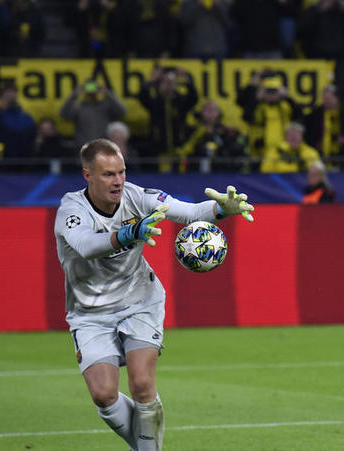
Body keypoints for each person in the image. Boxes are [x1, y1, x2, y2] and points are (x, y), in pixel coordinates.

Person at [54, 138, 254, 450]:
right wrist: (129, 233)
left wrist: (220, 210)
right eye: (108, 174)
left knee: (142, 383)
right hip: (89, 312)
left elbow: (188, 212)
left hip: (140, 300)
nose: (118, 181)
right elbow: (86, 246)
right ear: (87, 175)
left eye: (121, 172)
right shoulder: (72, 210)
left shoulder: (139, 196)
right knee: (104, 395)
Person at [60, 79, 127, 150]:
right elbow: (63, 114)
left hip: (103, 146)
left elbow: (122, 112)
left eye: (93, 87)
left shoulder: (104, 106)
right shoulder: (79, 107)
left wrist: (107, 94)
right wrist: (74, 95)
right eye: (88, 87)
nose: (91, 92)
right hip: (83, 147)